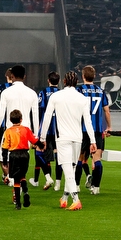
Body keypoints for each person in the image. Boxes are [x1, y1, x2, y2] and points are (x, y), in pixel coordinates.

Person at [40, 72, 96, 211]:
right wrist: (93, 140)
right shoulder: (82, 98)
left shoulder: (56, 96)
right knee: (71, 168)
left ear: (64, 81)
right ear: (77, 82)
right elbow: (88, 121)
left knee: (67, 168)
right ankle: (64, 198)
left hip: (63, 137)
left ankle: (76, 199)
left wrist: (42, 138)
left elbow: (47, 118)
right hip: (78, 137)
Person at [78, 65, 111, 194]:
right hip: (97, 129)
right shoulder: (101, 91)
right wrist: (109, 127)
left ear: (83, 76)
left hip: (83, 129)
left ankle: (76, 186)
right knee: (97, 159)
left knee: (80, 158)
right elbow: (106, 111)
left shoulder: (79, 90)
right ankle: (96, 187)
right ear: (94, 76)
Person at [1, 109, 42, 210]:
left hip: (14, 155)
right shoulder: (26, 129)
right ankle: (26, 192)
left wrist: (5, 161)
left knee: (16, 179)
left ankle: (18, 204)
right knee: (22, 176)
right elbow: (34, 140)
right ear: (21, 119)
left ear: (10, 120)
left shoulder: (8, 131)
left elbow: (5, 147)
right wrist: (41, 145)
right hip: (25, 154)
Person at [32, 71, 60, 190]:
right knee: (58, 155)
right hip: (58, 129)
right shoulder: (61, 94)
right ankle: (57, 183)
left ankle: (46, 178)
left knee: (39, 152)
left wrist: (37, 127)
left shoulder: (43, 93)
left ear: (48, 80)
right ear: (58, 81)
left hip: (46, 128)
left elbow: (39, 110)